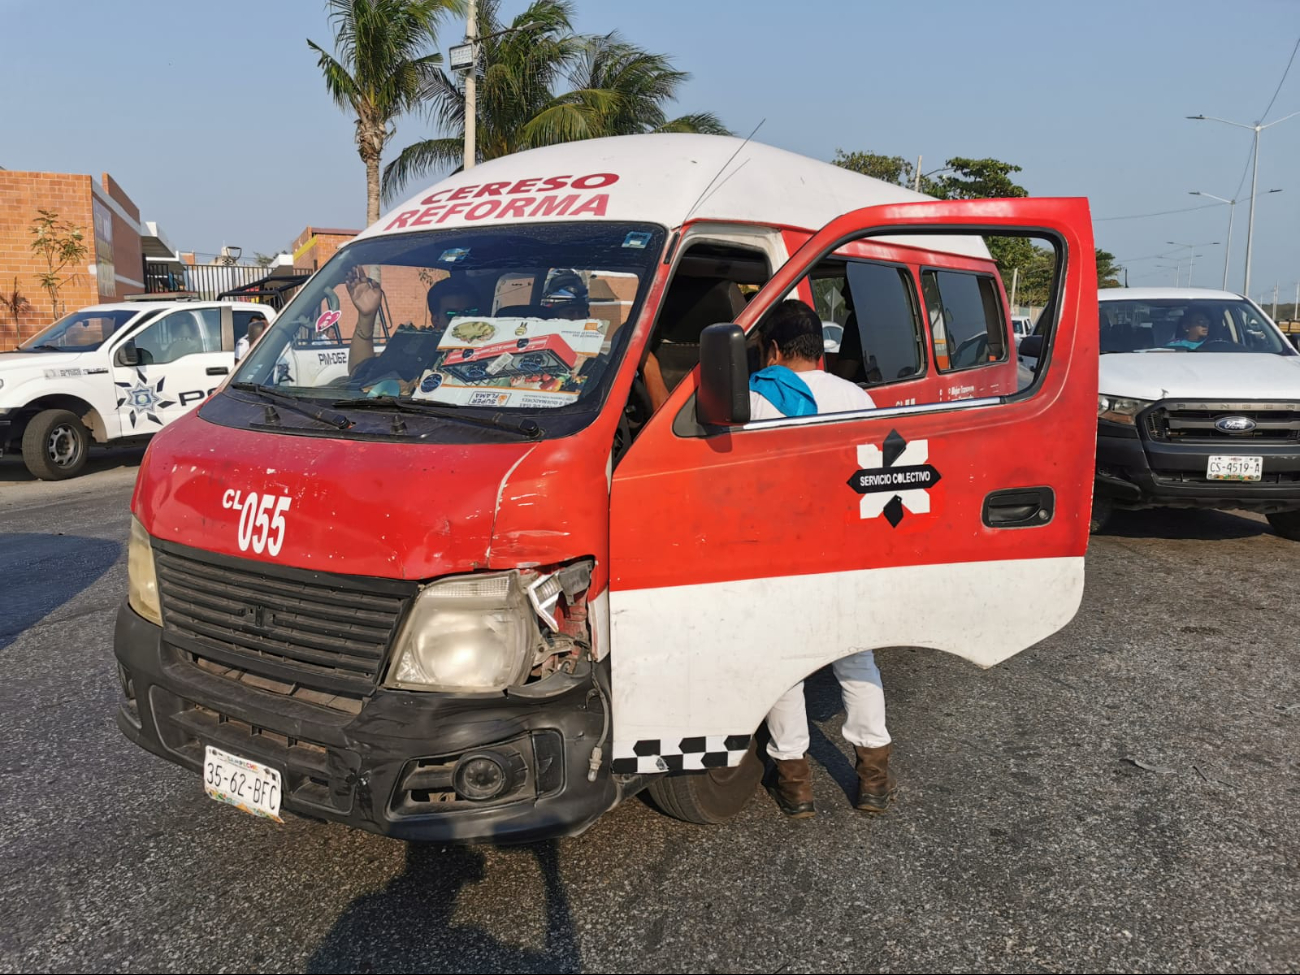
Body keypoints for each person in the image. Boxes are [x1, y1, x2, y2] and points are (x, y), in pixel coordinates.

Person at [750, 299, 896, 820]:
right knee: (856, 657)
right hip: (846, 550)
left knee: (785, 665)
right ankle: (872, 780)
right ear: (821, 350)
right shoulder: (857, 396)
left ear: (772, 348)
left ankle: (796, 786)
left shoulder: (758, 395)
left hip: (782, 552)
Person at [345, 268, 479, 395]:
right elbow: (361, 374)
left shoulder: (492, 352)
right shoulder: (419, 352)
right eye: (452, 314)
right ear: (436, 320)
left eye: (470, 313)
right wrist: (367, 316)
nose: (463, 320)